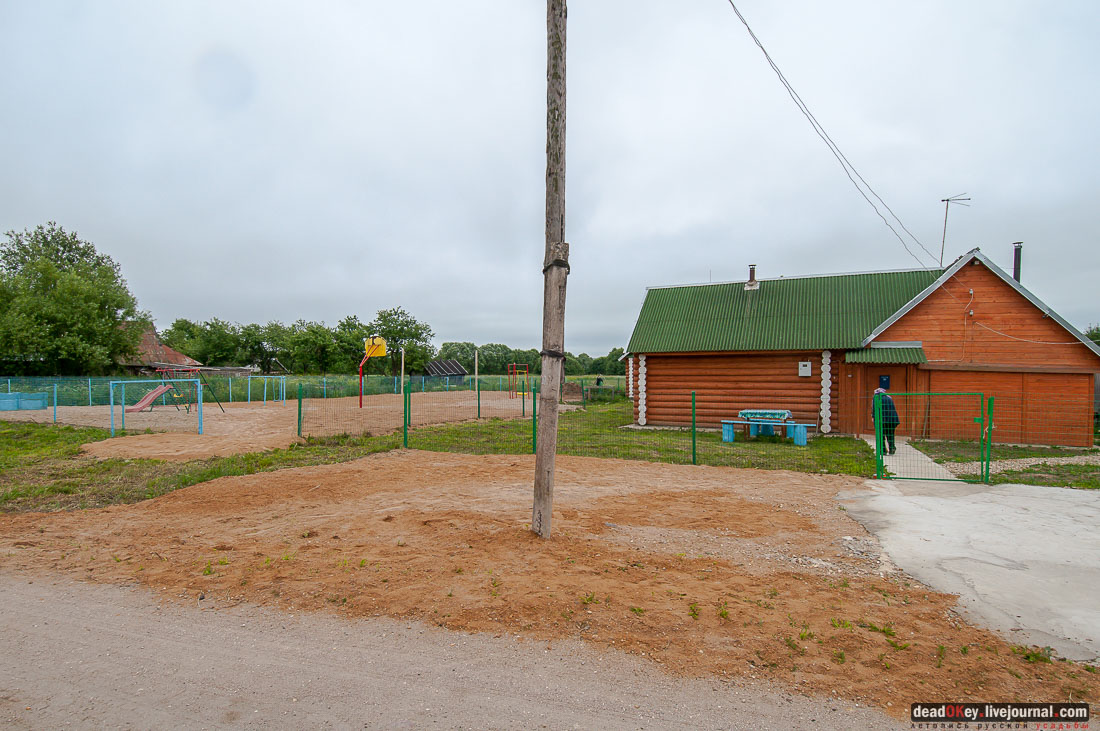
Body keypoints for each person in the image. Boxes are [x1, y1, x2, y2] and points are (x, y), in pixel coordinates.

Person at [872, 387, 900, 454]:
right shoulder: (889, 398)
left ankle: (883, 450)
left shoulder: (876, 398)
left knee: (880, 435)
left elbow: (874, 409)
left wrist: (873, 417)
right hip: (892, 420)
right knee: (890, 434)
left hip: (881, 420)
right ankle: (892, 448)